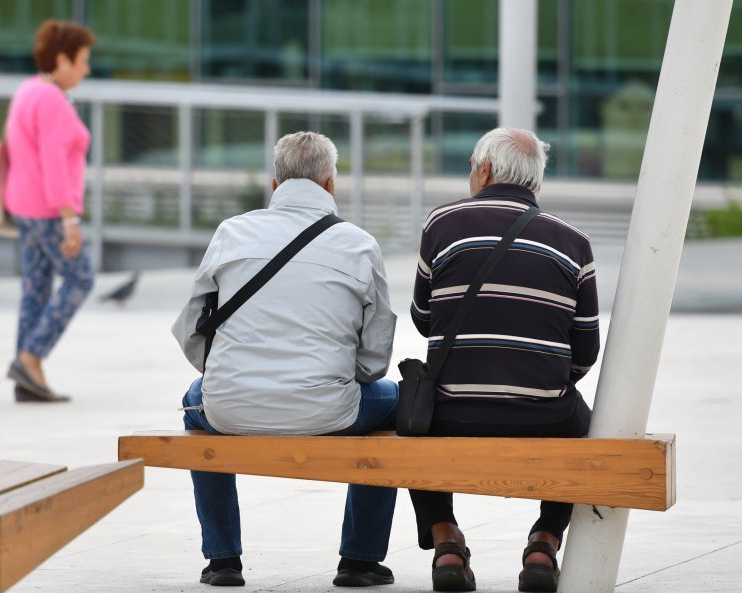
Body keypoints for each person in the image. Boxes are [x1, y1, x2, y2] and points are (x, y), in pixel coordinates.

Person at [172, 131, 399, 588]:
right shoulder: (359, 244)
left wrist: (227, 374)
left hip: (228, 406)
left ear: (275, 185)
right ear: (330, 184)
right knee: (396, 404)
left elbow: (190, 326)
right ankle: (359, 560)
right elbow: (375, 359)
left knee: (195, 406)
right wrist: (333, 378)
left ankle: (222, 561)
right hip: (331, 409)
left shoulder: (231, 232)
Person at [408, 128, 600, 593]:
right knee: (587, 428)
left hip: (453, 410)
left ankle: (446, 541)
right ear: (535, 180)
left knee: (414, 414)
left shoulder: (441, 224)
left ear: (485, 169)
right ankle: (545, 541)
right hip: (546, 414)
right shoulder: (573, 243)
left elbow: (422, 319)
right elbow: (587, 349)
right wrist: (540, 379)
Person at [3, 20, 97, 403]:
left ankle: (27, 377)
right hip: (48, 210)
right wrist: (69, 217)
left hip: (22, 206)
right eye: (83, 61)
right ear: (63, 59)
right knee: (81, 278)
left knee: (36, 288)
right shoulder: (53, 100)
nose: (86, 69)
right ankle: (31, 357)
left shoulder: (28, 90)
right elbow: (54, 162)